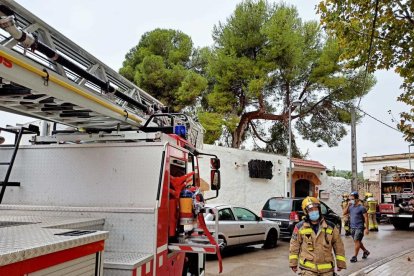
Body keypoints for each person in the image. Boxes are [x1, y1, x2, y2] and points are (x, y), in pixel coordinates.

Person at [289, 197, 346, 275]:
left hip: (327, 270)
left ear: (319, 209)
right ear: (306, 212)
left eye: (316, 209)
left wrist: (341, 263)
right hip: (308, 270)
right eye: (310, 210)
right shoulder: (299, 227)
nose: (314, 211)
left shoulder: (331, 226)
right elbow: (294, 246)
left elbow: (338, 245)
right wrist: (293, 263)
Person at [344, 191, 370, 263]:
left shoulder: (362, 208)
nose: (351, 199)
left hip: (359, 227)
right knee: (357, 241)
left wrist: (367, 228)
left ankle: (354, 256)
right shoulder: (350, 207)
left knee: (356, 241)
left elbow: (366, 218)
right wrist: (348, 205)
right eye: (350, 198)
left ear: (356, 199)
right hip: (352, 227)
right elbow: (344, 213)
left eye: (352, 198)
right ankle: (365, 251)